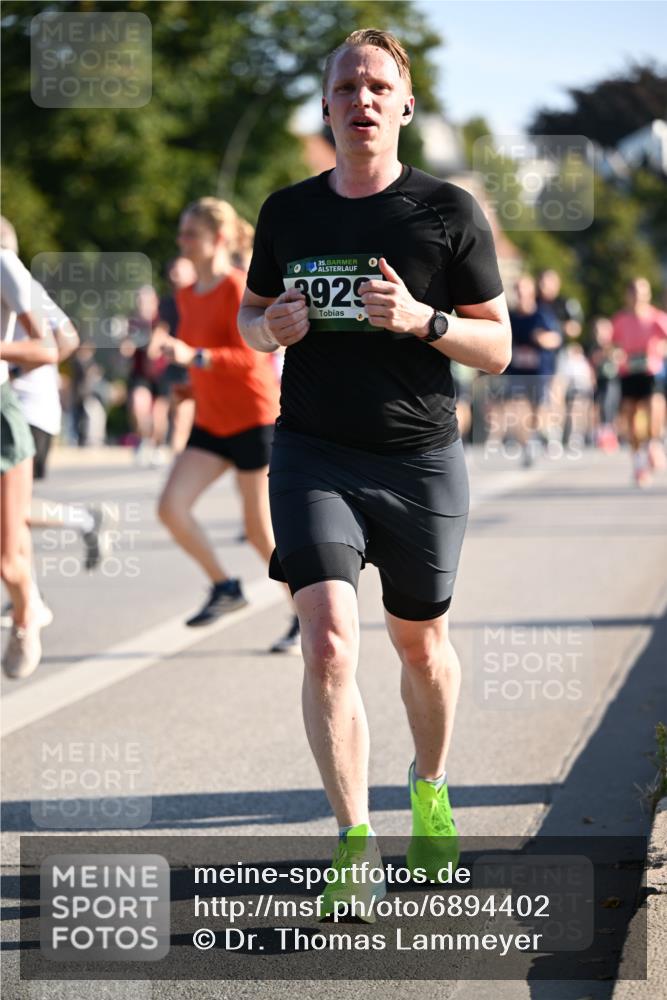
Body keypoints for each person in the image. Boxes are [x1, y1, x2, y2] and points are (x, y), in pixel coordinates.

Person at [238, 29, 511, 917]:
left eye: (377, 85)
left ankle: (429, 786)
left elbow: (498, 346)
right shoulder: (288, 212)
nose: (360, 99)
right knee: (326, 640)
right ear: (326, 105)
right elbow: (248, 317)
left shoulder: (447, 212)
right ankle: (353, 839)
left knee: (419, 646)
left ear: (404, 105)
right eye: (346, 85)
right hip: (313, 449)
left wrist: (422, 320)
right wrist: (268, 328)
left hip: (419, 458)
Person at [155, 197, 299, 653]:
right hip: (212, 421)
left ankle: (306, 614)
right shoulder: (184, 294)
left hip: (255, 418)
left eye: (190, 234)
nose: (182, 242)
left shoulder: (237, 286)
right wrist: (189, 387)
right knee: (171, 508)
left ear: (217, 239)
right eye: (181, 233)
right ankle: (225, 587)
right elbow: (206, 361)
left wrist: (194, 357)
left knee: (259, 530)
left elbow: (253, 356)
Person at [1, 243, 58, 678]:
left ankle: (26, 615)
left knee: (6, 560)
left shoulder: (4, 265)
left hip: (4, 417)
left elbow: (47, 348)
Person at [611, 276, 667, 486]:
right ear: (627, 295)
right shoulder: (620, 320)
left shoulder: (657, 318)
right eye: (633, 292)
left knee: (654, 410)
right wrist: (615, 355)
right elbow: (612, 345)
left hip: (651, 372)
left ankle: (654, 443)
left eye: (642, 292)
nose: (637, 296)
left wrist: (660, 350)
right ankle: (639, 464)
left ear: (648, 294)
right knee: (631, 420)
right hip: (628, 372)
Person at [506, 275, 562, 467]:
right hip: (517, 371)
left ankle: (542, 434)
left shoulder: (542, 315)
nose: (521, 294)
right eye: (518, 290)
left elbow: (556, 339)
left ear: (531, 292)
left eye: (525, 290)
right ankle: (529, 445)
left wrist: (541, 338)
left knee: (538, 411)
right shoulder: (510, 316)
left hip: (540, 371)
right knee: (519, 408)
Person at [157, 256, 197, 454]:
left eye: (179, 270)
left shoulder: (202, 297)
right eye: (173, 271)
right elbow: (161, 328)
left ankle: (180, 452)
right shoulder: (168, 302)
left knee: (184, 413)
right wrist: (155, 348)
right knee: (176, 411)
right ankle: (177, 452)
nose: (175, 275)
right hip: (176, 362)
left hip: (197, 359)